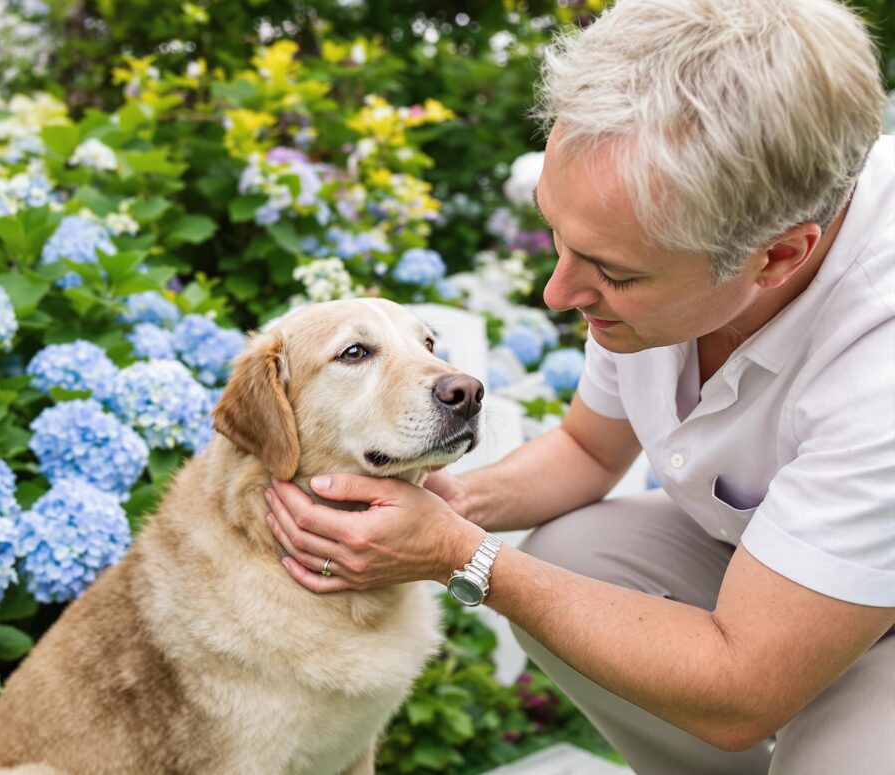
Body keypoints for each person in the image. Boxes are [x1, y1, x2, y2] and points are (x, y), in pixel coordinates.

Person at [264, 0, 895, 771]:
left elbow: (744, 686)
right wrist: (445, 505)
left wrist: (461, 556)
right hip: (771, 569)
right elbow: (589, 450)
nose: (558, 293)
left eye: (613, 272)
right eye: (557, 235)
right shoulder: (671, 229)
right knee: (572, 558)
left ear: (775, 258)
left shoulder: (879, 363)